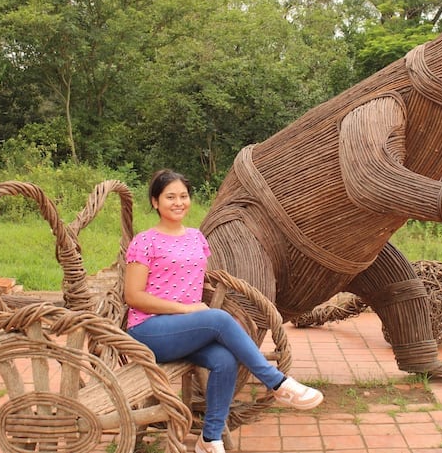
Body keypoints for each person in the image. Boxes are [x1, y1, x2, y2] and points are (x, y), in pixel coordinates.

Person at [125, 169, 323, 453]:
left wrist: (192, 312)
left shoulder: (197, 238)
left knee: (225, 360)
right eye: (170, 197)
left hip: (186, 330)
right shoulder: (145, 241)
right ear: (155, 202)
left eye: (183, 196)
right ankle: (277, 383)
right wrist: (185, 309)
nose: (178, 202)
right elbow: (133, 296)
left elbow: (191, 280)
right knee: (217, 319)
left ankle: (210, 438)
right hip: (150, 331)